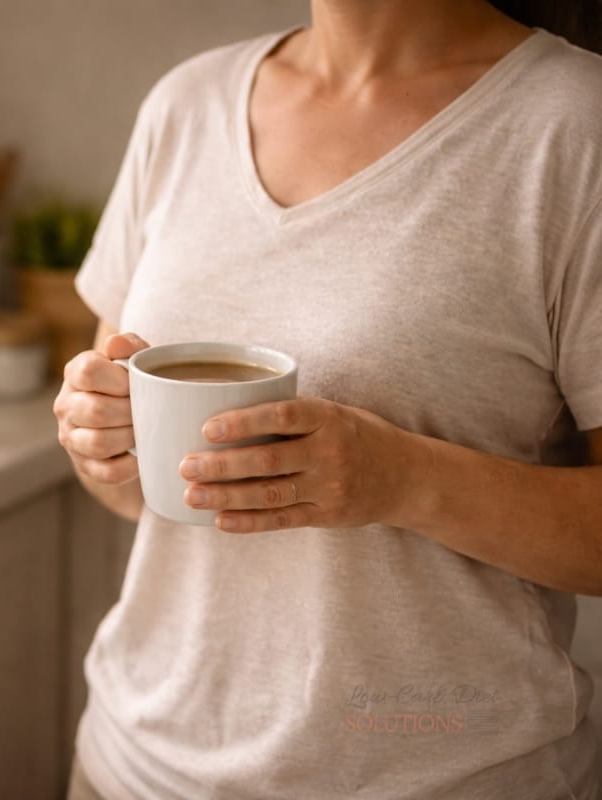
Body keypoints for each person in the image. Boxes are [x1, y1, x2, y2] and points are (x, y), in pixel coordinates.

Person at [55, 0, 602, 797]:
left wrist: (403, 478)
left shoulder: (574, 126)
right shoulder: (185, 103)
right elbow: (131, 488)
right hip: (132, 765)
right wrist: (98, 439)